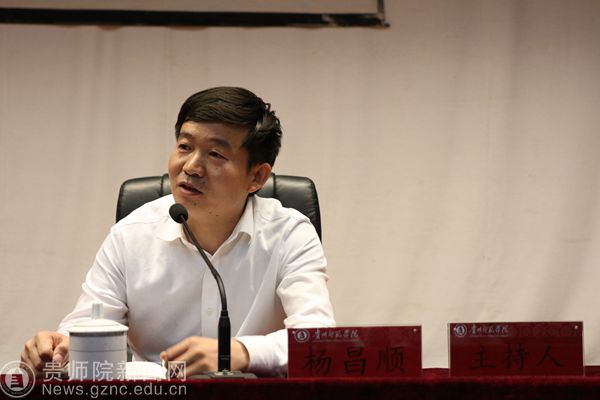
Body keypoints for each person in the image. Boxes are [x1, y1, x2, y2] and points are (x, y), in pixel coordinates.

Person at [21, 86, 335, 377]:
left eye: (215, 154)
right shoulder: (131, 235)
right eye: (185, 147)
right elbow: (91, 321)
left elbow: (318, 339)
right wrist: (60, 348)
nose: (191, 167)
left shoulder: (289, 234)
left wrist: (235, 353)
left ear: (257, 177)